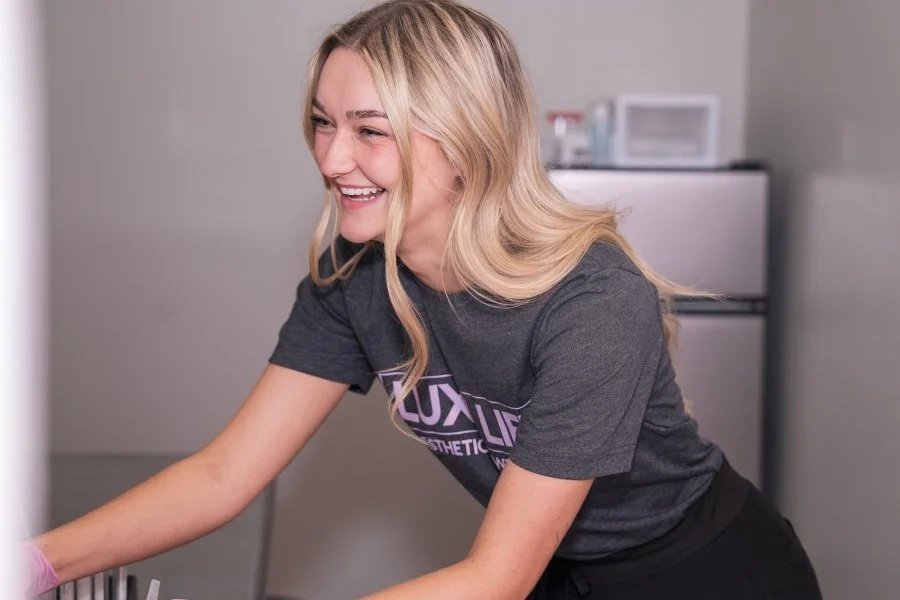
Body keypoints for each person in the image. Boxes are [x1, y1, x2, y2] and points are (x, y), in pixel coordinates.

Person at [25, 1, 822, 598]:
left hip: (706, 570)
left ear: (468, 136)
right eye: (322, 122)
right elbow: (223, 475)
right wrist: (33, 563)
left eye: (371, 130)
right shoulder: (355, 276)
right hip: (558, 572)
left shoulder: (592, 302)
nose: (334, 158)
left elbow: (496, 576)